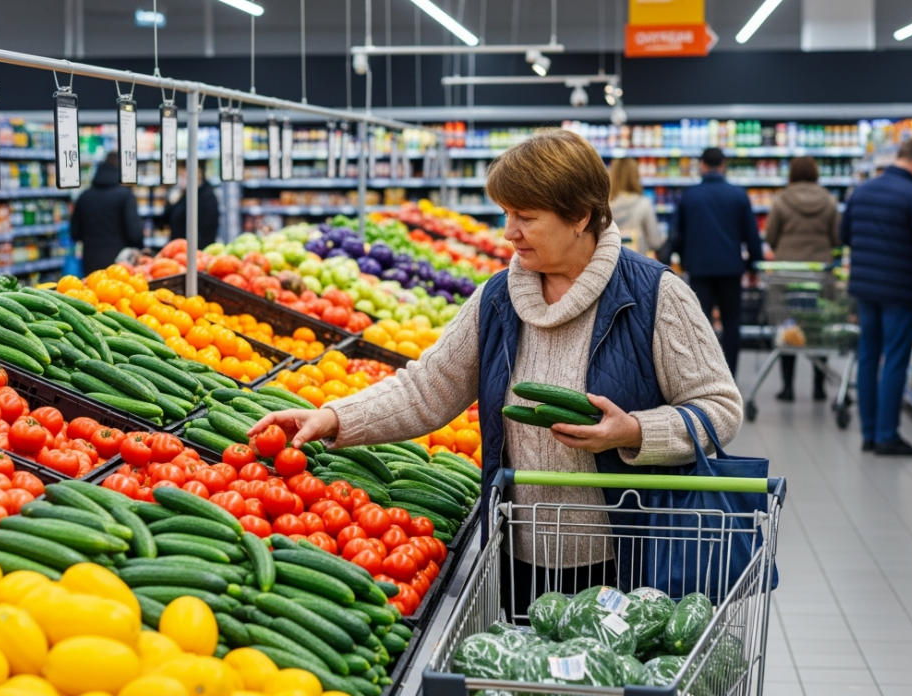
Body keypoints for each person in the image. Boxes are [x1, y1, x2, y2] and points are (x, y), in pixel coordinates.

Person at [246, 129, 743, 611]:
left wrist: (634, 431)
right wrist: (332, 417)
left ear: (580, 217)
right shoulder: (499, 298)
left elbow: (720, 408)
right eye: (506, 214)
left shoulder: (656, 295)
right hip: (517, 551)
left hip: (630, 558)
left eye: (525, 216)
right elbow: (428, 388)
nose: (509, 232)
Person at [842, 138, 912, 456]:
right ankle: (887, 435)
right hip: (900, 289)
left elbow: (844, 235)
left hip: (865, 287)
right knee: (894, 360)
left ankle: (868, 433)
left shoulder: (863, 190)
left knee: (867, 357)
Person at [671, 147, 764, 377]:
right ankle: (730, 375)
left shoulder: (689, 195)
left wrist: (681, 261)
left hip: (699, 269)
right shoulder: (738, 195)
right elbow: (751, 235)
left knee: (701, 324)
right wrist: (754, 265)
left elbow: (677, 235)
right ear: (723, 165)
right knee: (732, 323)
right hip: (731, 269)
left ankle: (707, 374)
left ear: (702, 165)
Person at [764, 156, 842, 402]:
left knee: (788, 325)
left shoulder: (782, 200)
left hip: (787, 272)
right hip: (819, 273)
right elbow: (838, 238)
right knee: (818, 326)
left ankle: (787, 388)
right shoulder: (829, 201)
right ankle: (818, 387)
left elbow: (770, 235)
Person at [70, 151, 143, 275]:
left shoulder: (84, 196)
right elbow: (135, 234)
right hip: (120, 264)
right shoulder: (125, 195)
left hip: (91, 262)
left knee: (91, 292)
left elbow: (75, 233)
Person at [607, 157, 663, 255]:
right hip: (636, 264)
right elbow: (655, 242)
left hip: (610, 263)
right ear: (635, 176)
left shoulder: (604, 206)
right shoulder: (643, 204)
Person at [167, 161, 219, 248]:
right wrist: (171, 202)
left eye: (184, 175)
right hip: (179, 248)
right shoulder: (181, 194)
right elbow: (167, 220)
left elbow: (207, 229)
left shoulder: (207, 196)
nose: (182, 179)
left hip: (197, 250)